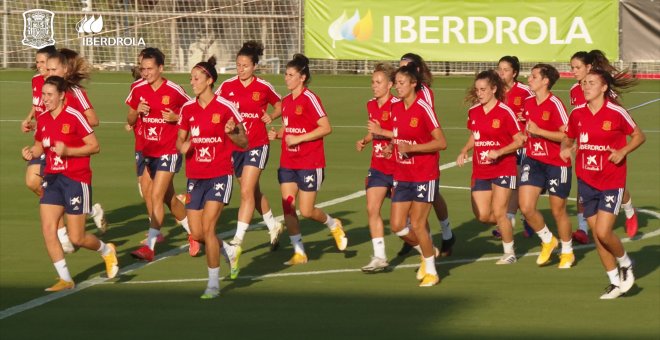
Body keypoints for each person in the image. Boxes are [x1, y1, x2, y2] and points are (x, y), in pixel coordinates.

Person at [21, 76, 118, 291]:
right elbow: (40, 147)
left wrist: (69, 151)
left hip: (76, 179)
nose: (44, 99)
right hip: (52, 178)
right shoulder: (43, 119)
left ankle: (106, 251)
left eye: (49, 95)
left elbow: (94, 146)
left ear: (62, 95)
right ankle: (65, 279)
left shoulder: (74, 117)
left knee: (77, 237)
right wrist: (30, 152)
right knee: (48, 229)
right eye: (43, 95)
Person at [560, 69, 645, 299]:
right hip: (586, 181)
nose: (586, 87)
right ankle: (614, 282)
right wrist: (566, 149)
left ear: (604, 87)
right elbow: (568, 137)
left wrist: (623, 151)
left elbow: (639, 135)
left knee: (603, 231)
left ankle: (626, 263)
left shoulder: (616, 112)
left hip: (611, 180)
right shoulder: (577, 113)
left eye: (591, 83)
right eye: (584, 83)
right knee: (598, 237)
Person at [267, 53, 347, 265]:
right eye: (285, 74)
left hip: (309, 162)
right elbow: (290, 128)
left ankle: (333, 224)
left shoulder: (311, 99)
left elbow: (326, 127)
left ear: (302, 77)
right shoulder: (285, 102)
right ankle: (299, 252)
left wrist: (299, 138)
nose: (286, 78)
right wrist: (278, 135)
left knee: (307, 210)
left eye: (290, 74)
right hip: (288, 162)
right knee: (288, 206)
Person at [177, 57, 245, 299]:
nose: (192, 82)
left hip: (219, 174)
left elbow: (243, 141)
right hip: (195, 177)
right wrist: (183, 146)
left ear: (209, 80)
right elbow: (180, 140)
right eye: (191, 78)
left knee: (209, 226)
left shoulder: (226, 107)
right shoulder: (187, 109)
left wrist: (232, 132)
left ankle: (213, 284)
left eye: (196, 78)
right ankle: (229, 250)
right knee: (197, 234)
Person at [126, 48, 197, 261]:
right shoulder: (137, 88)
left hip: (169, 150)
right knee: (165, 198)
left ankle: (150, 246)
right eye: (143, 69)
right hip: (148, 151)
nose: (146, 73)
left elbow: (193, 113)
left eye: (150, 69)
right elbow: (130, 121)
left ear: (161, 68)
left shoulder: (174, 90)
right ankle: (194, 232)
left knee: (156, 195)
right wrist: (136, 110)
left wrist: (177, 117)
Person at [215, 41, 284, 250]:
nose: (241, 69)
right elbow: (213, 107)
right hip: (235, 147)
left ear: (254, 66)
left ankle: (237, 240)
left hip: (257, 145)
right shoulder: (227, 86)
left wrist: (270, 115)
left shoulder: (263, 86)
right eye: (238, 65)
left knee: (245, 191)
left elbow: (280, 104)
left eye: (245, 65)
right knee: (252, 192)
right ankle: (273, 225)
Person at [569, 50, 639, 242]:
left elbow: (618, 115)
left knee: (616, 184)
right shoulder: (574, 91)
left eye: (577, 67)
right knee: (582, 184)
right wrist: (574, 142)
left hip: (609, 143)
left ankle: (630, 211)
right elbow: (578, 120)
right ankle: (583, 228)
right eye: (572, 68)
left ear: (589, 68)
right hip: (587, 145)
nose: (574, 71)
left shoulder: (603, 88)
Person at [387, 62, 447, 287]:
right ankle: (428, 251)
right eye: (396, 83)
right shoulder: (395, 109)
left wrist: (411, 148)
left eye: (402, 83)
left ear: (414, 84)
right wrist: (390, 147)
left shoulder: (423, 109)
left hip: (424, 174)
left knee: (419, 224)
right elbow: (399, 138)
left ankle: (431, 271)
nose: (397, 87)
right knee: (397, 225)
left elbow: (441, 142)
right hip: (402, 174)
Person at [457, 70, 523, 265]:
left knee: (500, 211)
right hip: (481, 170)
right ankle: (506, 225)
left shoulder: (505, 112)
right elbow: (475, 135)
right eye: (477, 90)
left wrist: (500, 152)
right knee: (483, 215)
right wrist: (464, 149)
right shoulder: (474, 111)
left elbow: (520, 140)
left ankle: (509, 252)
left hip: (503, 167)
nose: (479, 93)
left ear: (494, 89)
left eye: (483, 89)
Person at [44, 48, 108, 236]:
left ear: (65, 70)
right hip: (51, 149)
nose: (48, 73)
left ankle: (70, 228)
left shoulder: (74, 93)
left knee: (46, 184)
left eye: (53, 70)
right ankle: (66, 227)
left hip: (71, 150)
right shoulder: (48, 91)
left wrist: (70, 126)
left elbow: (94, 120)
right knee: (35, 182)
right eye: (47, 69)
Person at [397, 53, 455, 257]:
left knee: (430, 197)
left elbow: (428, 126)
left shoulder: (424, 95)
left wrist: (412, 145)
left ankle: (444, 234)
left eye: (408, 67)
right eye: (401, 67)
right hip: (404, 160)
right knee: (413, 203)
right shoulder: (400, 96)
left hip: (424, 153)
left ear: (417, 71)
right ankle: (418, 239)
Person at [519, 64, 574, 268]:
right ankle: (548, 239)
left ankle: (567, 251)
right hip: (533, 159)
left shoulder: (555, 104)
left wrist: (540, 131)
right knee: (526, 207)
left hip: (556, 163)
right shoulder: (527, 102)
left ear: (545, 81)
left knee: (558, 210)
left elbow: (567, 135)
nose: (529, 79)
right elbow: (528, 129)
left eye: (534, 76)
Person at [356, 62, 397, 273]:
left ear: (390, 84)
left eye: (379, 82)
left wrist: (388, 139)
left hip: (400, 167)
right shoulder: (371, 105)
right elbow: (375, 131)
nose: (374, 86)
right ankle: (379, 256)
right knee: (372, 208)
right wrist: (365, 140)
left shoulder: (398, 105)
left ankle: (425, 249)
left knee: (405, 223)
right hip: (378, 166)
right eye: (372, 82)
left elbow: (404, 134)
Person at [495, 56, 535, 239]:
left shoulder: (525, 91)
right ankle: (517, 217)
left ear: (515, 73)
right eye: (499, 69)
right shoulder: (494, 91)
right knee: (509, 183)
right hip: (502, 144)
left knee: (517, 180)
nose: (501, 73)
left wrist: (526, 117)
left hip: (523, 143)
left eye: (505, 70)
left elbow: (538, 110)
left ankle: (512, 218)